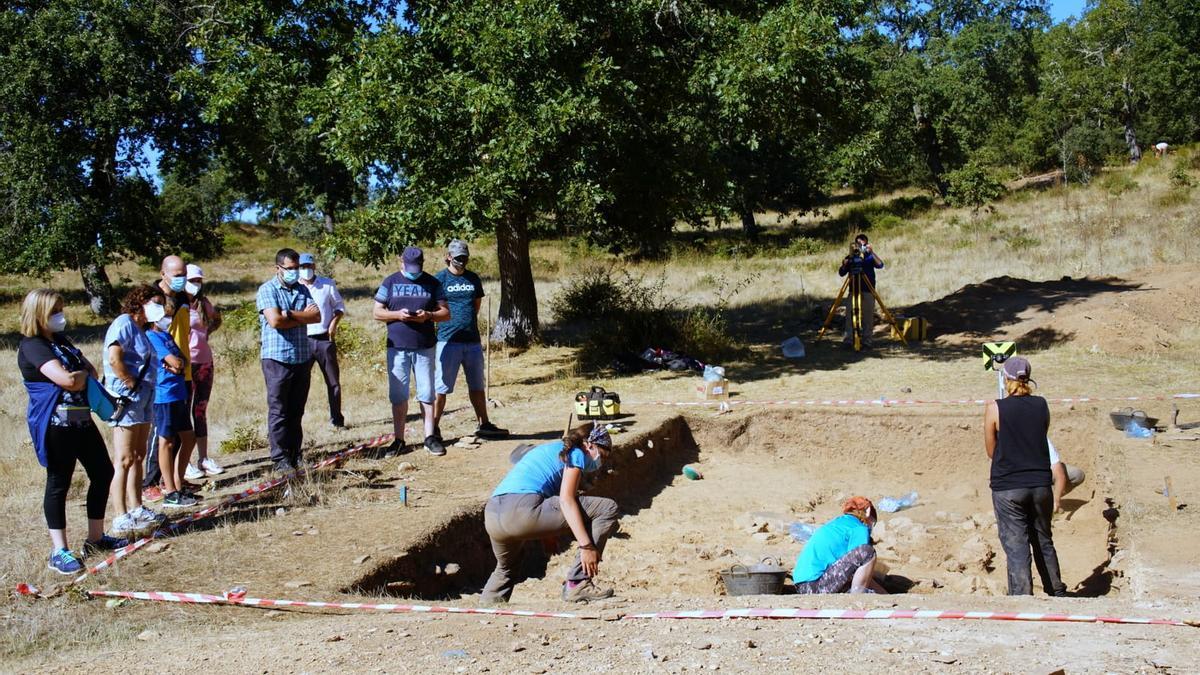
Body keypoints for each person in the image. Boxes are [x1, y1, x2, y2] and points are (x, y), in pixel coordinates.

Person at [19, 289, 126, 574]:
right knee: (59, 483)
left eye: (61, 309)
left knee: (103, 472)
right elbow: (67, 380)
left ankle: (96, 538)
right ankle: (60, 551)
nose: (60, 315)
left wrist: (78, 377)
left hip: (81, 421)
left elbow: (89, 372)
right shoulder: (32, 345)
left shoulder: (61, 341)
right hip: (55, 426)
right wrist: (76, 377)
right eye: (55, 310)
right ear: (39, 313)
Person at [481, 423, 619, 603]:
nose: (601, 462)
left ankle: (488, 605)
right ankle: (578, 583)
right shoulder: (576, 453)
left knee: (506, 567)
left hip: (492, 515)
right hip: (521, 510)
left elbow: (540, 484)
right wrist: (587, 546)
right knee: (607, 508)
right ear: (589, 444)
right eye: (602, 455)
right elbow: (566, 500)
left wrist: (548, 534)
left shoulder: (549, 450)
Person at [984, 356, 1067, 597]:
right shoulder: (1041, 405)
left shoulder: (995, 408)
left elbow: (991, 451)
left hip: (1008, 486)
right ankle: (1057, 591)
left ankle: (1022, 597)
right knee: (1043, 539)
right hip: (1040, 485)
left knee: (1016, 545)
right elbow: (1041, 435)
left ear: (1006, 378)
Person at [373, 246, 450, 456]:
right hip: (397, 347)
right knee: (398, 395)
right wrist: (398, 315)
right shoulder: (390, 282)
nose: (413, 271)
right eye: (409, 267)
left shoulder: (433, 283)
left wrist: (428, 315)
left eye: (417, 267)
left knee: (426, 393)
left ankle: (430, 437)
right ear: (401, 262)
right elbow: (377, 312)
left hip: (424, 346)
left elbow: (445, 312)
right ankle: (398, 440)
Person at [105, 285, 167, 535]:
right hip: (127, 400)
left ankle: (137, 508)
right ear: (140, 302)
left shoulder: (142, 330)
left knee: (139, 455)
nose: (159, 308)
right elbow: (114, 357)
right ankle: (120, 515)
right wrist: (129, 383)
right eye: (155, 302)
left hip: (144, 398)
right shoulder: (123, 323)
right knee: (124, 458)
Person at [433, 240, 508, 440]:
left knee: (477, 385)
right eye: (458, 258)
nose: (461, 261)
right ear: (448, 256)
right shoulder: (439, 279)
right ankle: (432, 428)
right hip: (447, 341)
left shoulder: (473, 279)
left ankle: (484, 423)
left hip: (472, 341)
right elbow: (434, 307)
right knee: (441, 388)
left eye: (464, 258)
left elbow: (476, 305)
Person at [257, 248, 321, 472]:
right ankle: (279, 457)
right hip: (277, 357)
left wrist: (290, 314)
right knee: (279, 410)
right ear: (278, 268)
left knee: (297, 409)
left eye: (297, 268)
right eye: (290, 269)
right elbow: (275, 321)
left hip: (302, 356)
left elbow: (316, 316)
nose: (295, 272)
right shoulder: (267, 289)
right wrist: (299, 316)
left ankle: (295, 453)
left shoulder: (303, 289)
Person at [143, 255, 191, 502]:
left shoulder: (183, 297)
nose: (181, 278)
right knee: (161, 436)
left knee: (182, 434)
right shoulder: (152, 301)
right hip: (162, 381)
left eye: (184, 273)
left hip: (183, 374)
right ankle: (150, 482)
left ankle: (171, 480)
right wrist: (169, 361)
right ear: (163, 273)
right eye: (176, 274)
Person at [147, 295, 199, 509]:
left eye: (170, 316)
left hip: (178, 393)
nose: (169, 320)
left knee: (189, 438)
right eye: (166, 316)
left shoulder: (166, 336)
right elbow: (175, 362)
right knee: (166, 442)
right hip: (164, 395)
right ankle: (170, 490)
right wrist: (175, 364)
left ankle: (178, 483)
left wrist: (177, 364)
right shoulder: (151, 336)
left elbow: (182, 362)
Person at [792, 496, 889, 594]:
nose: (870, 528)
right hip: (817, 584)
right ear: (867, 513)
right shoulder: (859, 528)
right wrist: (885, 594)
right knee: (867, 552)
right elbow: (859, 566)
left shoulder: (836, 524)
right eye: (872, 523)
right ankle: (858, 595)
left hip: (803, 587)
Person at [183, 264, 224, 480]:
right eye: (192, 280)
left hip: (204, 362)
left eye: (199, 280)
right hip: (185, 365)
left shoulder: (203, 304)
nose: (195, 284)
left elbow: (217, 319)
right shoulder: (175, 306)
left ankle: (203, 457)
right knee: (183, 412)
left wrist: (206, 333)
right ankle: (184, 461)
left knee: (200, 410)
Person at [299, 252, 347, 429]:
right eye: (302, 267)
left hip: (324, 339)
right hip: (302, 340)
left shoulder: (327, 284)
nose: (306, 270)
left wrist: (333, 323)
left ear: (314, 267)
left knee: (333, 381)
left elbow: (339, 306)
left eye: (309, 266)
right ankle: (297, 421)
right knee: (300, 383)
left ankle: (337, 419)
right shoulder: (295, 287)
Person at [837, 233, 884, 348]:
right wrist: (844, 265)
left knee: (868, 316)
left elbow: (881, 265)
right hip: (853, 290)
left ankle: (867, 340)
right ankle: (848, 340)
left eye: (863, 244)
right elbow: (841, 272)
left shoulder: (869, 256)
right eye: (858, 244)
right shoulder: (850, 257)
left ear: (867, 244)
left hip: (868, 290)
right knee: (850, 316)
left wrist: (871, 252)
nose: (859, 246)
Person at [1047, 438, 1086, 513]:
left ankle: (1046, 501)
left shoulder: (1041, 437)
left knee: (1077, 474)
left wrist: (1056, 500)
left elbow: (1059, 473)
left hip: (1043, 469)